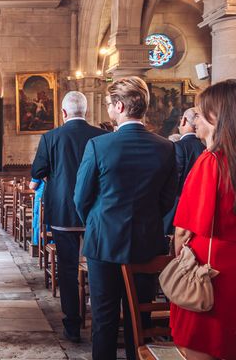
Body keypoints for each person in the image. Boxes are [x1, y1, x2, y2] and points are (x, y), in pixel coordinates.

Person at [74, 77, 177, 360]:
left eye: (109, 104)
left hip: (104, 242)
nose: (109, 108)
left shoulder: (99, 145)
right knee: (139, 319)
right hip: (146, 243)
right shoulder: (166, 147)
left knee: (104, 320)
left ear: (119, 106)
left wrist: (97, 221)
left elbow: (81, 197)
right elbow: (168, 199)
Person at [31, 91, 107, 343]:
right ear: (85, 111)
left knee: (67, 268)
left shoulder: (51, 137)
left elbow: (38, 170)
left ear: (63, 113)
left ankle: (72, 325)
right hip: (95, 213)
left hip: (63, 211)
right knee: (98, 267)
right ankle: (101, 321)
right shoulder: (102, 136)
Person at [170, 80, 236, 360]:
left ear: (218, 116)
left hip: (212, 274)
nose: (194, 119)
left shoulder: (211, 162)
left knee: (200, 347)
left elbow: (184, 230)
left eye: (201, 112)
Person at [162, 107, 206, 235]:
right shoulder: (206, 146)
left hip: (178, 208)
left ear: (184, 120)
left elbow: (174, 181)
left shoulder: (178, 147)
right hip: (201, 208)